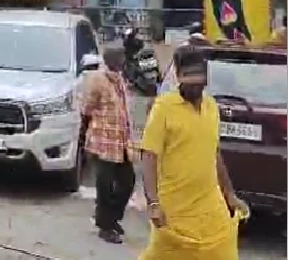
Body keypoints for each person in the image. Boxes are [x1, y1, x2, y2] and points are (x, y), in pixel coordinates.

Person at [139, 46, 248, 260]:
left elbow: (214, 153)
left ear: (206, 76)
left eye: (198, 73)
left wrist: (230, 194)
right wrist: (153, 203)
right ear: (178, 76)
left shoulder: (211, 107)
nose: (194, 80)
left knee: (223, 253)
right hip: (175, 209)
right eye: (187, 75)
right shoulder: (163, 108)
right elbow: (149, 156)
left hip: (210, 204)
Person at [81, 47, 135, 244]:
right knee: (105, 187)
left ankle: (111, 218)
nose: (122, 60)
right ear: (109, 59)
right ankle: (106, 226)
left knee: (127, 183)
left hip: (120, 143)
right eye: (119, 57)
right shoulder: (98, 79)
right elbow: (87, 108)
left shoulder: (120, 79)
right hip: (102, 142)